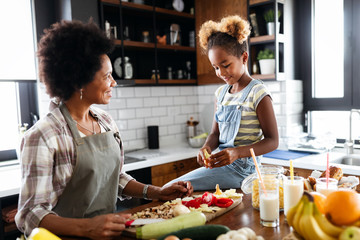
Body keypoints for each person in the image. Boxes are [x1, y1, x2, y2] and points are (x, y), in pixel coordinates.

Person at [15, 20, 193, 239]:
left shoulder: (105, 121)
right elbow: (30, 214)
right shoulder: (43, 135)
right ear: (79, 80)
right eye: (107, 76)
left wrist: (155, 191)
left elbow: (115, 178)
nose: (114, 82)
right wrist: (86, 228)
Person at [166, 15, 278, 190]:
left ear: (244, 58)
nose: (221, 72)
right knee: (176, 189)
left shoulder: (258, 92)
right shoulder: (221, 94)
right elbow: (215, 134)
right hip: (223, 164)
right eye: (216, 67)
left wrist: (237, 153)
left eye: (226, 65)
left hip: (244, 170)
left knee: (173, 187)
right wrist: (206, 148)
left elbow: (273, 140)